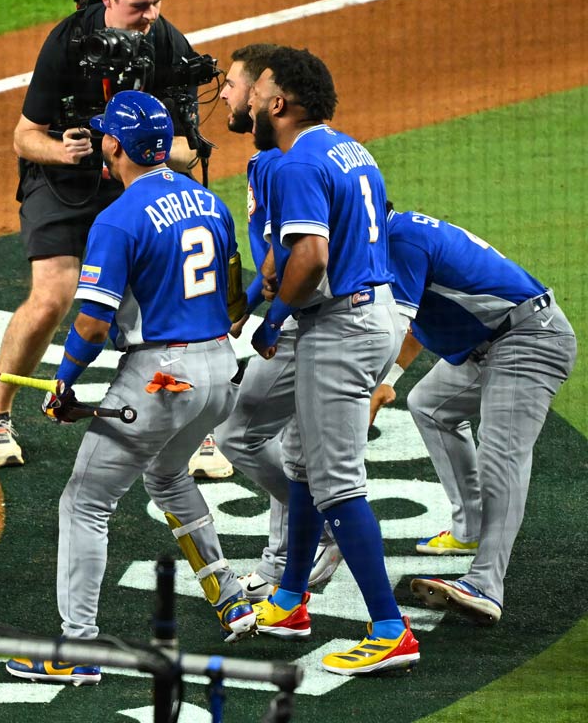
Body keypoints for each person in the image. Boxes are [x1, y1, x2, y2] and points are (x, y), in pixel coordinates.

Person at [5, 92, 255, 687]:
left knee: (85, 501)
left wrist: (64, 381)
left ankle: (78, 647)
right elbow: (234, 299)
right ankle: (229, 595)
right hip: (221, 371)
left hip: (162, 377)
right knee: (167, 475)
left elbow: (92, 324)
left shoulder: (118, 218)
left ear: (113, 146)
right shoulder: (208, 201)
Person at [0, 0, 204, 469]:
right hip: (60, 180)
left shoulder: (168, 43)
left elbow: (190, 151)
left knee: (164, 296)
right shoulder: (68, 41)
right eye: (140, 6)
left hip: (133, 179)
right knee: (52, 296)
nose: (151, 16)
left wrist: (143, 150)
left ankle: (191, 425)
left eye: (157, 3)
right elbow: (24, 136)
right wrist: (65, 152)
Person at [246, 47, 420, 676]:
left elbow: (312, 256)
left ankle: (390, 629)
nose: (250, 101)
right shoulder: (349, 148)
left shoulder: (298, 161)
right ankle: (290, 599)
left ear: (279, 103)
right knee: (301, 464)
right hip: (368, 312)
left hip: (341, 327)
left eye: (257, 92)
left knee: (337, 483)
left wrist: (272, 320)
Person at [368, 206, 576, 625]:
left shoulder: (401, 241)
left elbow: (393, 326)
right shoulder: (397, 236)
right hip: (493, 343)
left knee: (502, 456)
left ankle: (486, 585)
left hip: (529, 340)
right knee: (430, 405)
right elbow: (415, 324)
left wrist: (367, 392)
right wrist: (388, 380)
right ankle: (470, 529)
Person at [211, 44, 343, 600]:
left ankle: (324, 526)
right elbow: (273, 260)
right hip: (322, 310)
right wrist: (247, 302)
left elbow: (297, 257)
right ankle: (284, 560)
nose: (228, 96)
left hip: (320, 314)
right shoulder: (281, 157)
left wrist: (271, 316)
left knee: (241, 432)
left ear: (268, 98)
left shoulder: (281, 162)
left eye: (236, 86)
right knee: (284, 442)